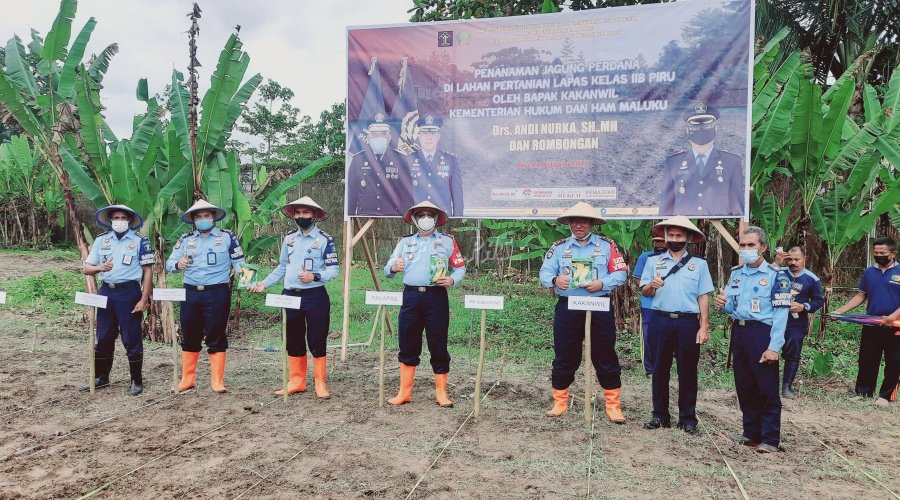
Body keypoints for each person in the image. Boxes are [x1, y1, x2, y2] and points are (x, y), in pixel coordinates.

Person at [539, 202, 629, 422]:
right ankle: (560, 401)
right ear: (569, 223)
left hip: (598, 305)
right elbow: (544, 273)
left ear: (592, 223)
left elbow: (621, 273)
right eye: (574, 221)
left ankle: (613, 404)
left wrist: (602, 283)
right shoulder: (559, 247)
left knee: (605, 354)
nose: (579, 225)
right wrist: (554, 280)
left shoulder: (607, 245)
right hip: (569, 306)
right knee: (565, 354)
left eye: (584, 221)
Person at [250, 197, 339, 399]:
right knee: (293, 338)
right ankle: (297, 381)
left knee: (317, 338)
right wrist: (264, 283)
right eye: (297, 213)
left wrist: (315, 276)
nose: (301, 217)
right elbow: (282, 266)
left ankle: (320, 382)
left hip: (315, 295)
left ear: (314, 215)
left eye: (305, 213)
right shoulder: (289, 239)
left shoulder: (325, 239)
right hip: (290, 295)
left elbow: (333, 270)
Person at [714, 226, 792, 453]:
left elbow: (781, 315)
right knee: (744, 385)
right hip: (740, 333)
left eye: (751, 245)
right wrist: (722, 305)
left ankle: (769, 438)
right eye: (743, 245)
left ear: (763, 248)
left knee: (766, 388)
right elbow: (731, 306)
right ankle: (751, 432)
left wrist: (773, 347)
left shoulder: (778, 276)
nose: (746, 249)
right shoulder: (737, 273)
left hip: (762, 334)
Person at [383, 201, 465, 407]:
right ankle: (404, 392)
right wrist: (394, 267)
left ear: (436, 219)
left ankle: (442, 393)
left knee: (438, 343)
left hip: (436, 297)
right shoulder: (405, 242)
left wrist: (453, 280)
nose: (426, 218)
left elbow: (460, 267)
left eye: (430, 214)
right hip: (411, 297)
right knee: (408, 343)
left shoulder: (447, 241)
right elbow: (387, 270)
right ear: (414, 219)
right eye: (421, 215)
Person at [640, 216, 712, 435]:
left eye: (678, 235)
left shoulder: (699, 265)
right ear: (664, 237)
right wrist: (651, 285)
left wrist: (704, 326)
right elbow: (645, 291)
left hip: (688, 323)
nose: (674, 239)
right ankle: (659, 415)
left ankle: (688, 419)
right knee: (660, 370)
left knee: (687, 372)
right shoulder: (654, 262)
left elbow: (703, 298)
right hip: (660, 320)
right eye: (670, 235)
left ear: (688, 238)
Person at [166, 200, 245, 393]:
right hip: (190, 292)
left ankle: (217, 381)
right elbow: (170, 264)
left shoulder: (227, 237)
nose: (203, 220)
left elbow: (239, 263)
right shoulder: (185, 239)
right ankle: (187, 379)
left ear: (213, 218)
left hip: (217, 292)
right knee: (190, 333)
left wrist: (249, 282)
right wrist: (178, 265)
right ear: (193, 220)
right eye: (198, 217)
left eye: (206, 216)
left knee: (216, 334)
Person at [81, 205, 154, 396]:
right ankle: (101, 377)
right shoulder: (101, 240)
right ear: (110, 220)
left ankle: (136, 381)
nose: (119, 221)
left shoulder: (140, 240)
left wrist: (144, 298)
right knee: (104, 337)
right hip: (106, 292)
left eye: (123, 218)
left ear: (129, 221)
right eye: (116, 217)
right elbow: (87, 268)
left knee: (131, 338)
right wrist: (100, 268)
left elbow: (148, 271)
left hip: (129, 293)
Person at [832, 237, 900, 406]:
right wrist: (840, 311)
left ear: (893, 253)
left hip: (895, 324)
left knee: (894, 361)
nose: (878, 255)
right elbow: (861, 295)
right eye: (876, 253)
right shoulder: (869, 272)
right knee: (867, 359)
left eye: (882, 253)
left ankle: (885, 396)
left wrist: (892, 316)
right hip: (872, 323)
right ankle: (864, 392)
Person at [658, 103, 744, 217]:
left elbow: (738, 208)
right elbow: (666, 209)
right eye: (696, 126)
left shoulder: (732, 162)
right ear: (688, 131)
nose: (701, 130)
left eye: (706, 126)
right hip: (684, 228)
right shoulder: (673, 163)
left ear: (716, 129)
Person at [772, 246, 824, 398]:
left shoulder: (812, 279)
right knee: (770, 350)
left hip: (796, 322)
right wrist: (776, 263)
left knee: (793, 352)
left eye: (797, 259)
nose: (793, 262)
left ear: (804, 259)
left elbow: (818, 301)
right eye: (789, 259)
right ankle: (769, 384)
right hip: (773, 319)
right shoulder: (777, 273)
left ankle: (787, 387)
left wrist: (803, 306)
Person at [346, 113, 412, 216]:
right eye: (374, 134)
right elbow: (352, 194)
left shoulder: (401, 160)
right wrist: (350, 218)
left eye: (383, 133)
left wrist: (405, 219)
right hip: (365, 216)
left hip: (393, 218)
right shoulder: (358, 160)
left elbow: (406, 194)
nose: (378, 137)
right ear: (368, 137)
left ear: (389, 137)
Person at [408, 114, 464, 216]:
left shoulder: (451, 160)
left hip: (442, 217)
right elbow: (404, 194)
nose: (428, 137)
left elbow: (457, 195)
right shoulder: (409, 160)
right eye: (425, 133)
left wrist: (457, 218)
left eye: (432, 133)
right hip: (417, 217)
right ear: (419, 137)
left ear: (438, 137)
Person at [632, 234, 667, 377]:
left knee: (665, 337)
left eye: (661, 241)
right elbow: (637, 279)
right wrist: (649, 287)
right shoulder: (645, 257)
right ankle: (650, 369)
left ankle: (663, 367)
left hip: (668, 304)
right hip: (649, 304)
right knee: (648, 337)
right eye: (656, 241)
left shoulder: (676, 257)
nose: (658, 244)